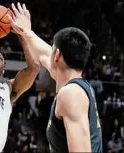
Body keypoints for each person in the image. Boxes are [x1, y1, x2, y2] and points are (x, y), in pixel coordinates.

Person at [9, 3, 103, 152]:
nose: (49, 53)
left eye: (52, 50)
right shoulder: (78, 86)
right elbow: (44, 53)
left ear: (57, 55)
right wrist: (27, 32)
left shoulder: (71, 94)